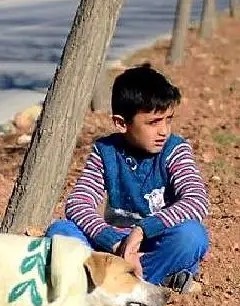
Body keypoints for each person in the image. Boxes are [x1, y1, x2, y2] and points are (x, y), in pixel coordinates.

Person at [45, 63, 209, 293]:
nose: (164, 131)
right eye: (153, 122)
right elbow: (78, 203)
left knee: (192, 236)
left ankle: (113, 283)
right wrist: (115, 242)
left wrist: (142, 231)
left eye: (168, 119)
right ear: (121, 123)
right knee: (60, 232)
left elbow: (196, 200)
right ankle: (150, 280)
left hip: (154, 242)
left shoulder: (175, 150)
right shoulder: (106, 152)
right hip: (112, 244)